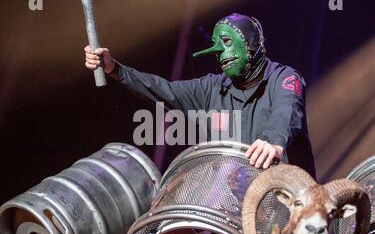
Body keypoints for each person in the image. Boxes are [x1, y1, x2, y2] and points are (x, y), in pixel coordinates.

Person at [84, 13, 316, 177]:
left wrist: (274, 142)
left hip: (292, 201)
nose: (220, 53)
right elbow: (164, 90)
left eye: (226, 42)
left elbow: (288, 111)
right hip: (242, 207)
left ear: (252, 43)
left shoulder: (285, 78)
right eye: (216, 47)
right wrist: (115, 69)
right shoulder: (212, 87)